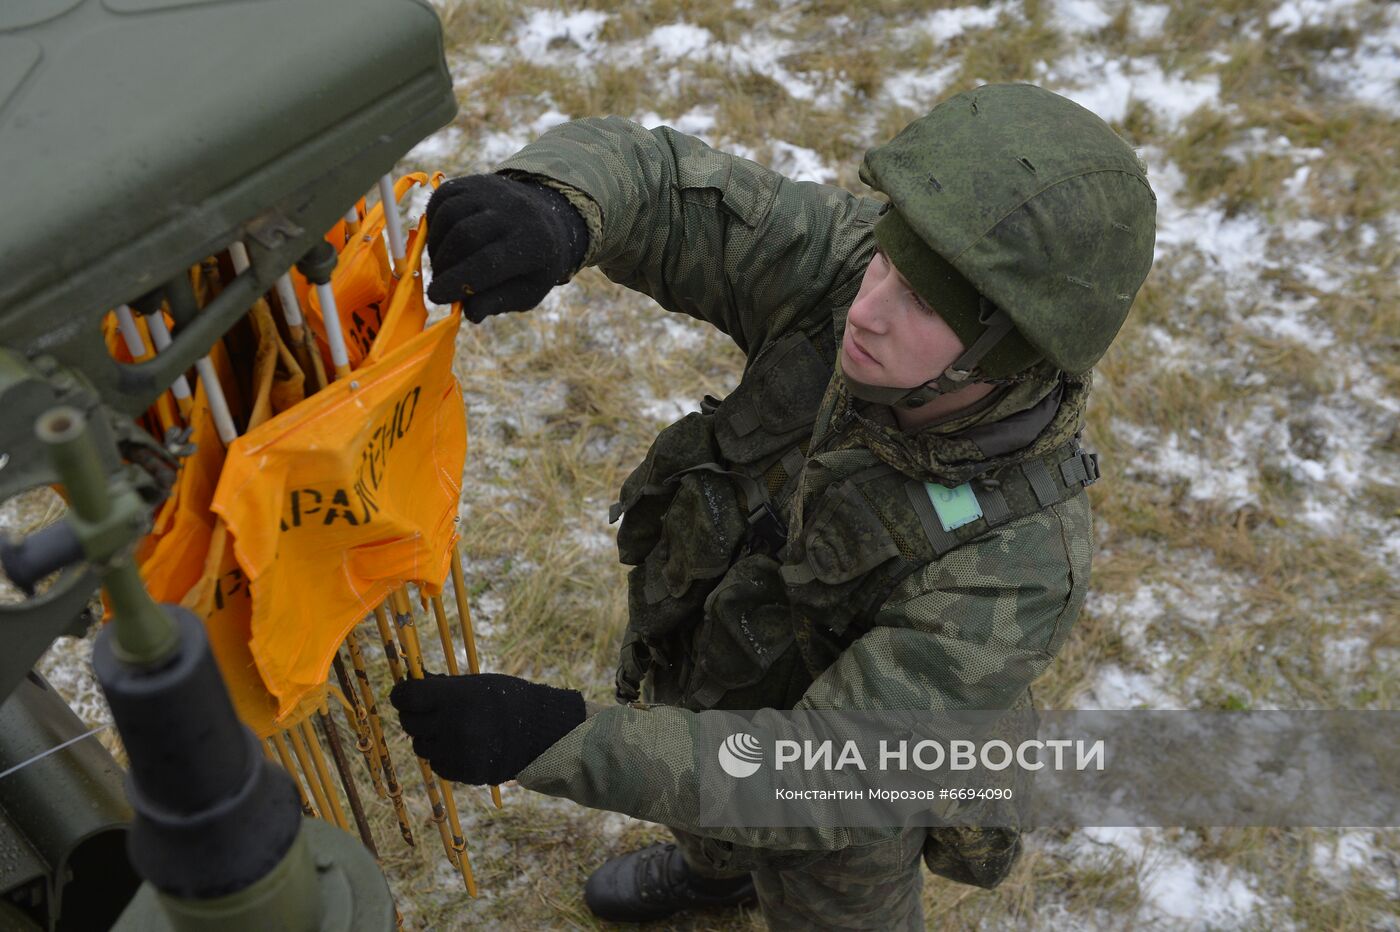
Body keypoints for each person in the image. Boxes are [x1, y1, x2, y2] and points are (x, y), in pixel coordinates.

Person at [390, 83, 1157, 929]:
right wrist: (555, 207)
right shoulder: (846, 272)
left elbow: (819, 780)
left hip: (840, 815)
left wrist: (558, 740)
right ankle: (715, 875)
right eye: (886, 264)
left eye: (922, 303)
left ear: (1008, 355)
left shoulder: (1019, 562)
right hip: (714, 673)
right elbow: (662, 186)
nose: (865, 311)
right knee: (698, 783)